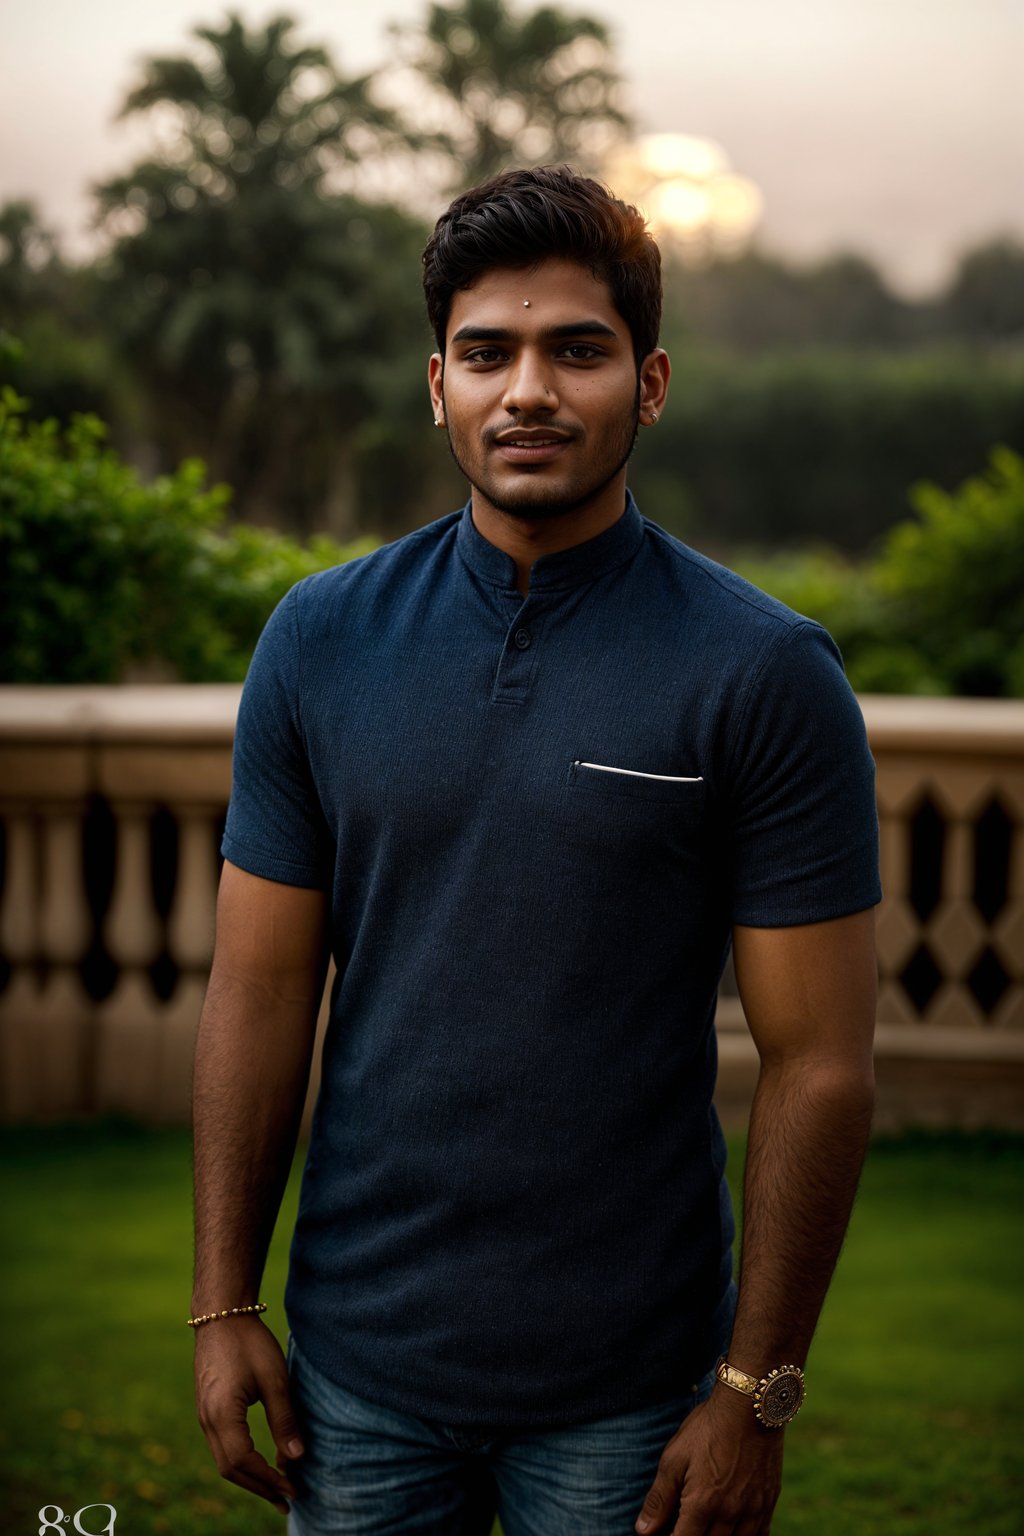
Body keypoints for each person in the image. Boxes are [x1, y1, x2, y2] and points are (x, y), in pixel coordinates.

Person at [191, 165, 880, 1536]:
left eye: (578, 350)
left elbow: (822, 1065)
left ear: (653, 381)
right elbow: (259, 995)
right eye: (487, 353)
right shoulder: (318, 643)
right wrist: (224, 1304)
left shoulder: (763, 673)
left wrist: (755, 1390)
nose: (529, 392)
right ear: (435, 381)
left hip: (631, 1390)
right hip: (357, 1370)